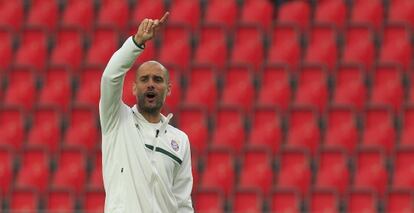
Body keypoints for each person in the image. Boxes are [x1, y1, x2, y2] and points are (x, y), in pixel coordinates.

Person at [99, 12, 194, 212]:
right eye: (144, 79)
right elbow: (110, 78)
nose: (150, 85)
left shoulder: (180, 140)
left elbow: (183, 202)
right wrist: (136, 43)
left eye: (157, 80)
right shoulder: (116, 120)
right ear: (134, 88)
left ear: (168, 89)